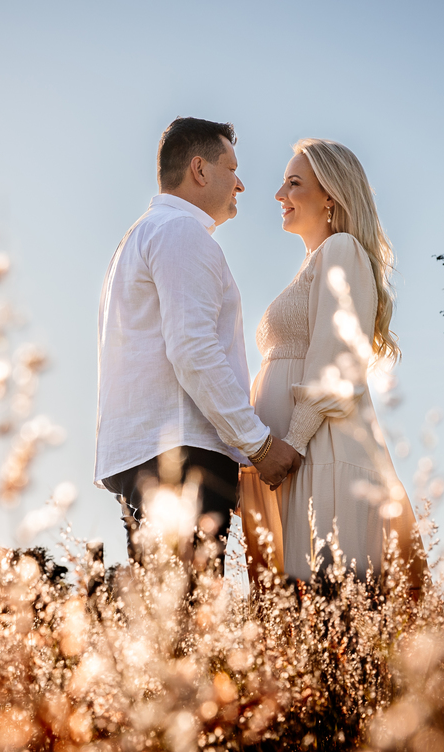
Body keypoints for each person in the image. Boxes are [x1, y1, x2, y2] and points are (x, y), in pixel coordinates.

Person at [95, 117, 302, 573]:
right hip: (181, 455)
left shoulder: (139, 237)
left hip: (143, 454)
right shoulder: (181, 233)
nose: (240, 184)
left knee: (163, 608)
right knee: (189, 609)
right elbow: (193, 349)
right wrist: (258, 445)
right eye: (232, 169)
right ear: (200, 169)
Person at [240, 138, 424, 591]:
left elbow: (335, 360)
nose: (279, 194)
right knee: (299, 615)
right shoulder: (312, 264)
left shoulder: (341, 249)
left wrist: (293, 443)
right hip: (294, 460)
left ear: (330, 196)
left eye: (293, 183)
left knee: (333, 606)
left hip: (320, 455)